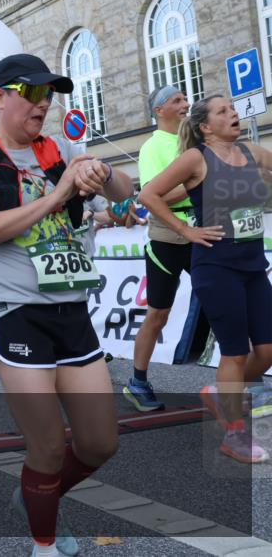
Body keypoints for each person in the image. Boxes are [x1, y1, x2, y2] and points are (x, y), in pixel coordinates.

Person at [0, 54, 133, 557]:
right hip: (14, 310)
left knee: (99, 443)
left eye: (49, 94)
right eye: (32, 93)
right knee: (49, 444)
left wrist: (101, 170)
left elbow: (124, 194)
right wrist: (58, 194)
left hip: (71, 309)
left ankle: (34, 496)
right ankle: (44, 542)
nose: (43, 103)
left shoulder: (62, 148)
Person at [139, 94, 272, 463]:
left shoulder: (250, 152)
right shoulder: (196, 158)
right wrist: (185, 229)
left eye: (232, 108)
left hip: (253, 265)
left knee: (267, 351)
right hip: (216, 267)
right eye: (222, 111)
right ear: (205, 127)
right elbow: (148, 194)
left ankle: (221, 394)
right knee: (235, 351)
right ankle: (234, 434)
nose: (233, 113)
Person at [124, 86, 205, 412]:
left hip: (201, 232)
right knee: (158, 314)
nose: (186, 103)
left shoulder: (195, 141)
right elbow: (152, 197)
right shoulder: (152, 147)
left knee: (222, 302)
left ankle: (238, 381)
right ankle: (138, 382)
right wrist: (192, 182)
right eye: (177, 100)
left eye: (185, 99)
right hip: (167, 238)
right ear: (159, 110)